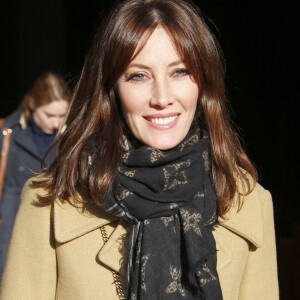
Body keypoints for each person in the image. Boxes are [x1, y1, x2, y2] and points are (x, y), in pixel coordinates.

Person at [0, 0, 278, 299]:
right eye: (138, 75)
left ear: (203, 84)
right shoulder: (50, 202)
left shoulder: (249, 201)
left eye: (180, 71)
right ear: (111, 89)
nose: (161, 97)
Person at [0, 72, 70, 278]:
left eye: (62, 115)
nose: (56, 123)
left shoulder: (73, 137)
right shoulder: (7, 133)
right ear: (31, 104)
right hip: (11, 229)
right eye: (49, 115)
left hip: (55, 229)